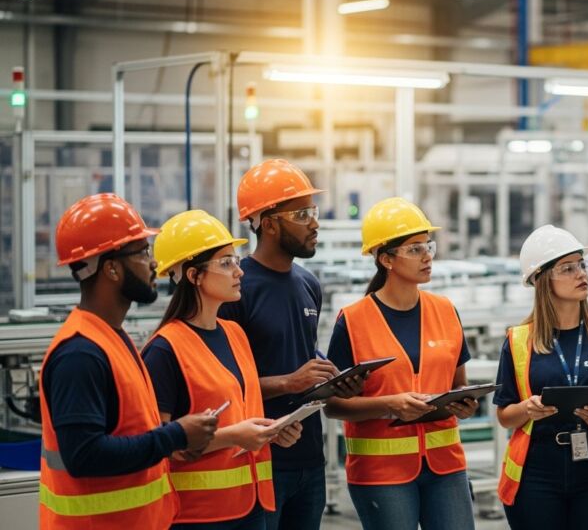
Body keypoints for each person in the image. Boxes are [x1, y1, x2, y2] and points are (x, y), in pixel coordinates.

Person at [39, 193, 218, 529]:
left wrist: (174, 440)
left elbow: (130, 433)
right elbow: (84, 455)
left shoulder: (112, 338)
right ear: (111, 268)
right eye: (142, 252)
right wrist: (174, 436)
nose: (153, 263)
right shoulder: (80, 354)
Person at [218, 159, 362, 530]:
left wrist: (331, 379)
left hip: (309, 458)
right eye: (301, 213)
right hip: (262, 457)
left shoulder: (308, 283)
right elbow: (226, 384)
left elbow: (300, 354)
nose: (314, 222)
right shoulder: (237, 288)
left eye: (312, 211)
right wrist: (288, 382)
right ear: (267, 224)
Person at [143, 210, 305, 528]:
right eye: (226, 263)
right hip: (199, 514)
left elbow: (239, 414)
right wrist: (235, 437)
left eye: (236, 261)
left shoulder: (234, 333)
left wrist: (270, 432)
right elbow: (158, 445)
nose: (239, 272)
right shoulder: (164, 349)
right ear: (193, 275)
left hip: (253, 503)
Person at [324, 197, 476, 530]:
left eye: (428, 246)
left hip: (445, 466)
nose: (427, 257)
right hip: (381, 471)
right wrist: (389, 405)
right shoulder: (353, 320)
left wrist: (464, 403)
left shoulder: (446, 310)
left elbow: (457, 385)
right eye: (414, 249)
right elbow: (332, 405)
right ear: (386, 258)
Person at [494, 225, 588, 530]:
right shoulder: (518, 340)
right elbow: (505, 416)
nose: (581, 274)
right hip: (537, 473)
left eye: (582, 265)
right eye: (568, 268)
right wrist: (527, 409)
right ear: (542, 279)